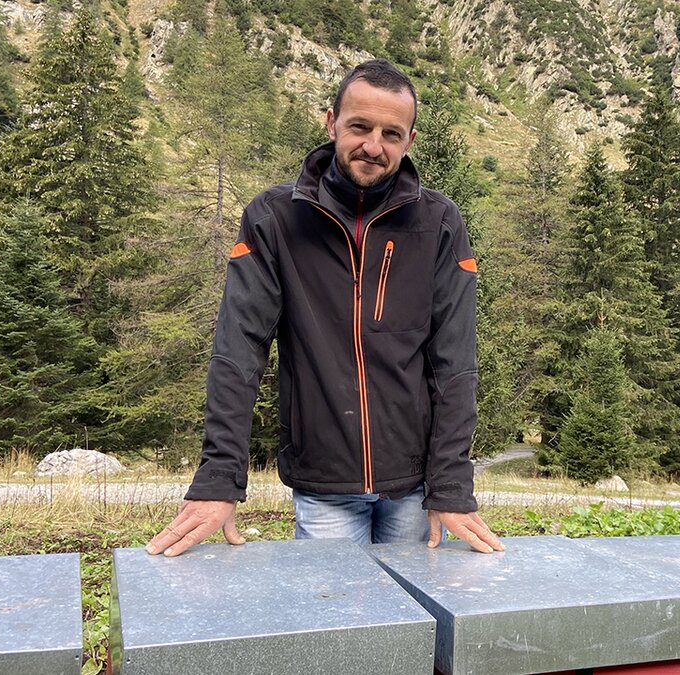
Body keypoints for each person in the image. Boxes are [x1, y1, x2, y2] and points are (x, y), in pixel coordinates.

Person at [146, 59, 503, 557]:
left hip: (415, 486)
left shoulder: (440, 222)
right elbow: (238, 353)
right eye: (359, 126)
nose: (373, 146)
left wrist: (451, 486)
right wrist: (219, 479)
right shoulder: (274, 218)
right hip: (323, 483)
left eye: (391, 134)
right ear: (331, 122)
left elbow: (455, 363)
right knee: (336, 610)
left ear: (410, 140)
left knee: (413, 609)